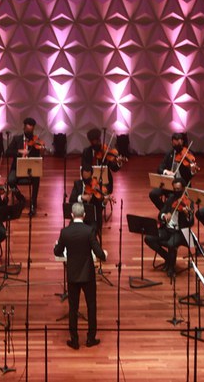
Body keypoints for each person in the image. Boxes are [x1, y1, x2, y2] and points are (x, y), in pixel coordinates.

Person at [53, 202, 107, 349]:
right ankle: (90, 338)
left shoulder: (65, 232)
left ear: (71, 215)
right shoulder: (89, 231)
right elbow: (98, 252)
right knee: (91, 306)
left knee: (73, 308)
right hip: (88, 275)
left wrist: (57, 247)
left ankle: (75, 340)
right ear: (84, 215)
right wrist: (104, 255)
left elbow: (58, 251)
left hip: (72, 275)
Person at [145, 178, 194, 277]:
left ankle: (171, 268)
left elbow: (191, 222)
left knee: (171, 244)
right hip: (167, 229)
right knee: (148, 238)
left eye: (178, 189)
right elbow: (160, 214)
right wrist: (164, 215)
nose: (176, 192)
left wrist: (187, 214)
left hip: (179, 232)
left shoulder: (188, 201)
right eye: (174, 189)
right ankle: (168, 258)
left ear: (184, 188)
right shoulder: (171, 199)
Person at [149, 133, 198, 210]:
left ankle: (169, 211)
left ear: (182, 142)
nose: (176, 146)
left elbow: (189, 177)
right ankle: (163, 211)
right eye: (174, 144)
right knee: (153, 194)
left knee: (172, 198)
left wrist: (192, 170)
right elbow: (159, 168)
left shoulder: (188, 154)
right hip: (169, 183)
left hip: (181, 185)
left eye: (178, 143)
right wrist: (166, 172)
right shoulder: (169, 154)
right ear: (172, 143)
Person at [6, 117, 43, 216]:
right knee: (10, 181)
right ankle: (20, 197)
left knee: (36, 179)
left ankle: (33, 204)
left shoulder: (36, 140)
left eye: (31, 131)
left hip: (30, 168)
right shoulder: (16, 139)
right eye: (28, 130)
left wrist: (40, 150)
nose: (29, 133)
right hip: (17, 167)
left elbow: (38, 157)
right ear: (24, 128)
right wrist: (19, 152)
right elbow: (7, 152)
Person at [68, 164, 110, 238]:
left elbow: (100, 208)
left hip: (92, 219)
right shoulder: (77, 184)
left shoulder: (96, 186)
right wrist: (81, 197)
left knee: (91, 232)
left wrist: (104, 203)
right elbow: (71, 200)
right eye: (84, 178)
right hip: (78, 217)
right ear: (81, 175)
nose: (87, 181)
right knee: (71, 229)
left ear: (91, 174)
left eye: (88, 179)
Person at [81, 128, 124, 195]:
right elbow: (85, 169)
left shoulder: (107, 150)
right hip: (91, 182)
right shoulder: (87, 152)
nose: (98, 142)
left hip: (105, 183)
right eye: (95, 141)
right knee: (88, 194)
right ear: (91, 142)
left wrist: (118, 162)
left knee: (102, 194)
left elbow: (114, 168)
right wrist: (92, 181)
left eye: (99, 140)